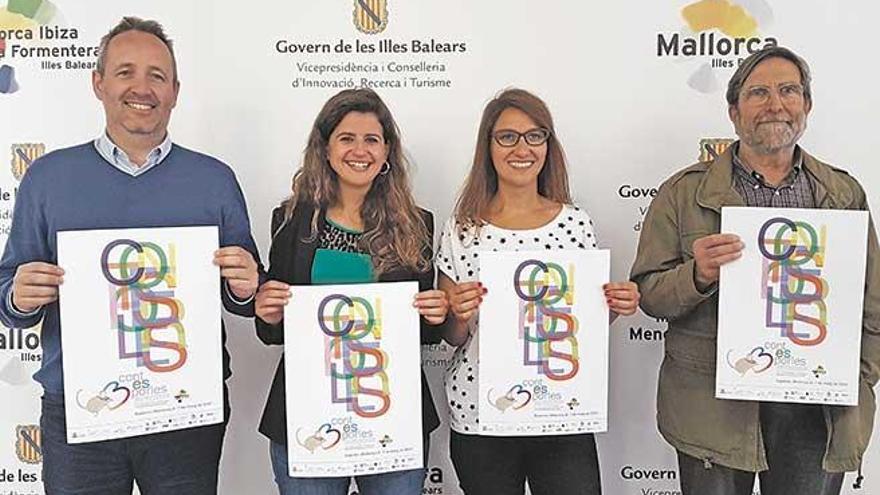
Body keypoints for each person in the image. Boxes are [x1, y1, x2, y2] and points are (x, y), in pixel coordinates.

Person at [0, 17, 261, 494]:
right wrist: (18, 297)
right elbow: (8, 299)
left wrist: (246, 287)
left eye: (157, 75)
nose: (142, 87)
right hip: (80, 413)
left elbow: (245, 295)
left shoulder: (214, 180)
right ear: (98, 82)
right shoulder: (47, 178)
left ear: (176, 91)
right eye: (125, 72)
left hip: (186, 413)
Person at [630, 46, 880, 495]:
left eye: (788, 91)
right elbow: (648, 294)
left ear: (806, 105)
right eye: (758, 93)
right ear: (734, 110)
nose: (775, 104)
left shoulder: (843, 193)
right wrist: (698, 275)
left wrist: (858, 375)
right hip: (713, 410)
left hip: (816, 407)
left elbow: (873, 300)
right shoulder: (682, 194)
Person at [437, 88, 640, 495]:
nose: (522, 148)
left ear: (549, 145)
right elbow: (453, 336)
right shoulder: (463, 227)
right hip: (483, 412)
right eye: (507, 136)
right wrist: (457, 312)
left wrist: (614, 307)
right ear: (488, 147)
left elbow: (582, 324)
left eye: (535, 135)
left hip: (561, 408)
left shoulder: (575, 222)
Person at [253, 87, 447, 495]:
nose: (360, 150)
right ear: (325, 148)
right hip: (307, 416)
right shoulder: (292, 221)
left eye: (372, 139)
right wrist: (267, 310)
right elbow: (273, 332)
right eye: (347, 138)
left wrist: (435, 313)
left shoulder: (417, 224)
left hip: (392, 415)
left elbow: (424, 335)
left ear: (387, 151)